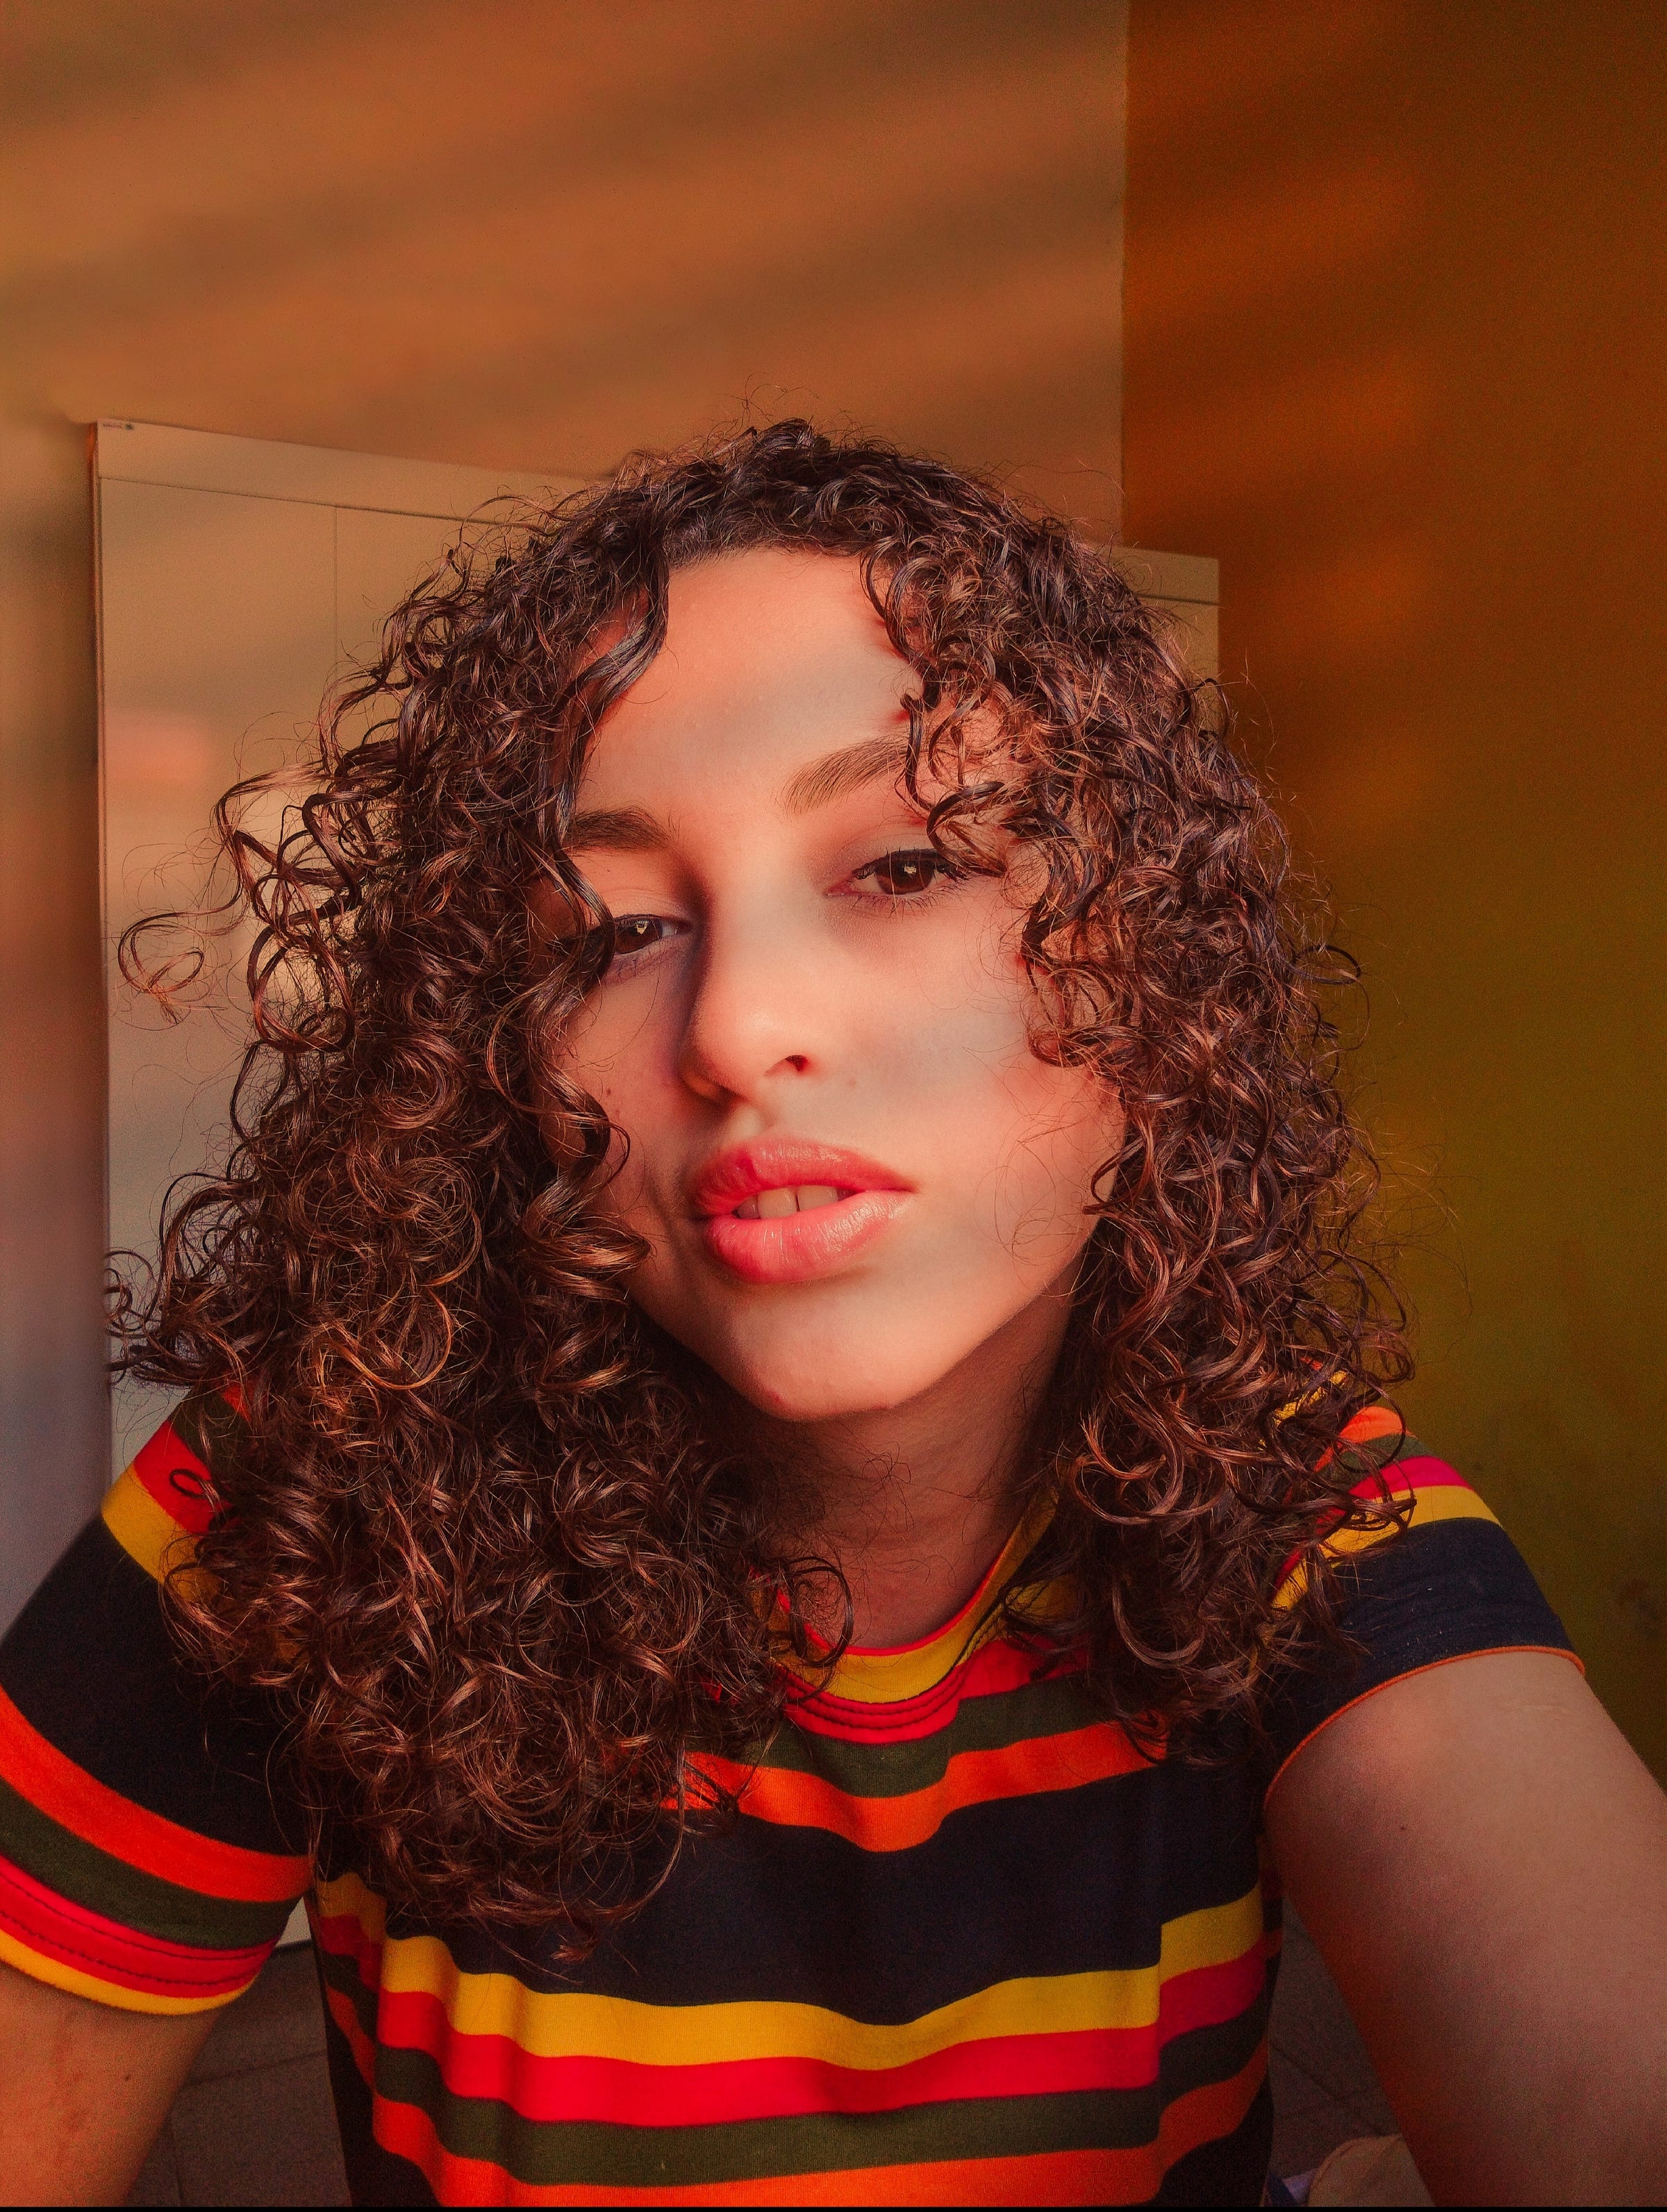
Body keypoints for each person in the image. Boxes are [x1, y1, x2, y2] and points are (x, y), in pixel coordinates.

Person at [0, 424, 1661, 2207]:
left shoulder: (1300, 1503)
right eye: (607, 932)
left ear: (1158, 963)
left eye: (902, 866)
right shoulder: (317, 1485)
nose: (736, 1028)